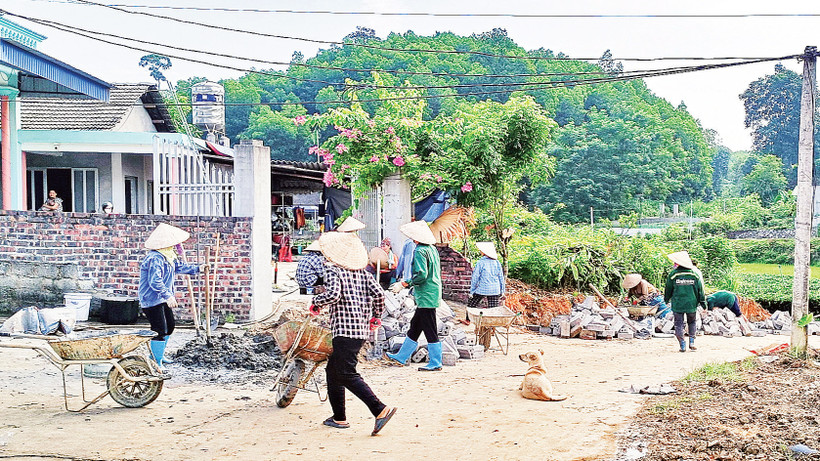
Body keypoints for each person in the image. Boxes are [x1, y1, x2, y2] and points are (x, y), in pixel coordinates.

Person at [312, 231, 397, 435]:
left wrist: (316, 302)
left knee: (346, 373)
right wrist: (375, 316)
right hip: (360, 330)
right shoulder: (363, 273)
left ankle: (379, 408)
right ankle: (339, 418)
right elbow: (379, 294)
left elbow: (333, 295)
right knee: (333, 371)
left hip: (343, 330)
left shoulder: (334, 271)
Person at [138, 223, 200, 372]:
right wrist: (168, 296)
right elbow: (155, 281)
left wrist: (199, 268)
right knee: (159, 329)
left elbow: (180, 267)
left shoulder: (168, 256)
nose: (176, 246)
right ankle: (156, 362)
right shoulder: (155, 258)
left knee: (170, 326)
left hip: (162, 298)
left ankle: (159, 355)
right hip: (152, 299)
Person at [387, 220, 443, 371]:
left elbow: (421, 275)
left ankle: (436, 361)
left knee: (430, 328)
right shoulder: (432, 249)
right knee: (415, 326)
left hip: (425, 294)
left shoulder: (419, 251)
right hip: (432, 292)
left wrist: (404, 283)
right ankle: (402, 356)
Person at [664, 251, 707, 353]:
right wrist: (703, 303)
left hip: (678, 304)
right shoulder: (695, 275)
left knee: (678, 324)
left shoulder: (673, 275)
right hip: (691, 303)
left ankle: (682, 345)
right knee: (692, 322)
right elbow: (700, 291)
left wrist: (666, 299)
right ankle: (692, 342)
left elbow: (668, 289)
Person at [465, 241, 506, 324]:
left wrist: (472, 291)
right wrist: (502, 291)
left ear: (484, 252)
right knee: (493, 309)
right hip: (495, 289)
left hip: (482, 288)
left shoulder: (481, 262)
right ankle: (492, 326)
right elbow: (501, 277)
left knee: (471, 304)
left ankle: (467, 320)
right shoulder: (497, 262)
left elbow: (475, 277)